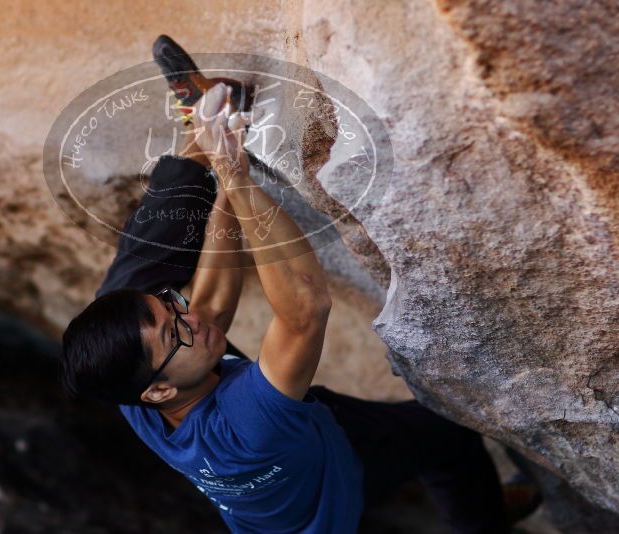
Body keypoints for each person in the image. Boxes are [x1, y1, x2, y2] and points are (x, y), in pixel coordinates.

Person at [60, 36, 524, 533]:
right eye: (177, 332)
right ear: (159, 391)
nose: (189, 315)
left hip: (285, 428)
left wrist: (221, 158)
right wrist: (235, 174)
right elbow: (305, 310)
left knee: (126, 290)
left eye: (174, 307)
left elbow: (209, 309)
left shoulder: (144, 388)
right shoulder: (248, 427)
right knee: (442, 438)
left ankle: (200, 127)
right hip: (334, 468)